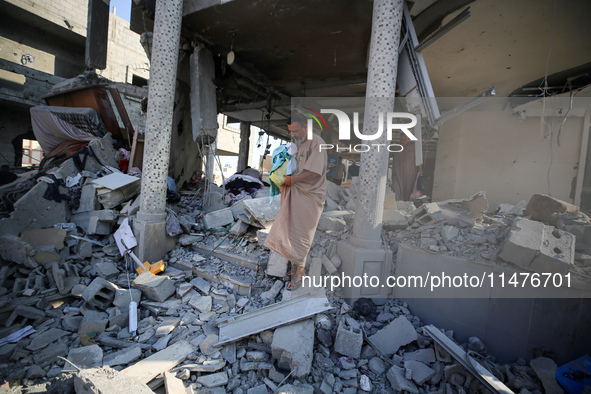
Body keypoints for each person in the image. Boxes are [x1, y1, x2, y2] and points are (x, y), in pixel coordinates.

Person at [264, 113, 327, 290]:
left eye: (297, 131)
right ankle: (293, 269)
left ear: (306, 127)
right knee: (289, 230)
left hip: (310, 196)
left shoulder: (318, 143)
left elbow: (314, 173)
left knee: (302, 235)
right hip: (295, 191)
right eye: (291, 131)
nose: (294, 135)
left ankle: (299, 275)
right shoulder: (297, 145)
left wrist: (292, 180)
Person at [391, 133, 422, 201]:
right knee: (396, 188)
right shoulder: (395, 147)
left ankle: (407, 206)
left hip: (410, 173)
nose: (403, 141)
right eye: (401, 140)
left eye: (405, 140)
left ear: (408, 139)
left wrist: (420, 169)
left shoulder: (413, 147)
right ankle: (398, 205)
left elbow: (419, 158)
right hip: (397, 173)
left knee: (408, 190)